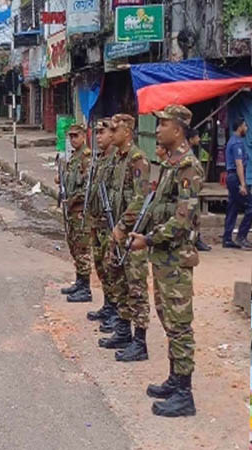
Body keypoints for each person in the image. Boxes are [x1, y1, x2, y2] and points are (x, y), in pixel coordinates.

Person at [128, 104, 203, 417]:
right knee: (166, 318)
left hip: (175, 257)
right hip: (164, 257)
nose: (157, 130)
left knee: (180, 324)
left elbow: (182, 221)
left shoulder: (188, 167)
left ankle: (185, 394)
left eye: (163, 125)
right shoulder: (170, 163)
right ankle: (175, 379)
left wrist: (149, 239)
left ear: (178, 129)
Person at [98, 113, 151, 364]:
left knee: (136, 287)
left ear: (127, 132)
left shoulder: (137, 160)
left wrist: (121, 226)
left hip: (131, 233)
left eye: (116, 128)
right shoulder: (117, 159)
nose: (112, 132)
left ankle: (139, 342)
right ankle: (123, 330)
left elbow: (140, 200)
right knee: (117, 280)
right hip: (115, 231)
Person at [86, 118, 118, 322]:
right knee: (100, 266)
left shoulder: (116, 160)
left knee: (111, 268)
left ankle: (115, 310)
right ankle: (108, 305)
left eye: (102, 133)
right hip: (97, 221)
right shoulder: (99, 158)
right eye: (96, 133)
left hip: (110, 223)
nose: (98, 136)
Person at [56, 124, 93, 303]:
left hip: (80, 211)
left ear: (84, 136)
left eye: (76, 136)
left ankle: (85, 288)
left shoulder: (86, 157)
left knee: (82, 249)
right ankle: (79, 281)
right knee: (74, 246)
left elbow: (87, 187)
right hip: (71, 211)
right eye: (70, 136)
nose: (73, 140)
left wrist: (73, 200)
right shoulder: (74, 158)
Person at [222, 117, 252, 249]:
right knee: (250, 207)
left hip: (232, 177)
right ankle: (241, 237)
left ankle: (227, 238)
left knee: (233, 208)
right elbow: (239, 165)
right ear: (240, 127)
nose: (246, 128)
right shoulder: (237, 144)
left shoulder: (232, 141)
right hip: (235, 178)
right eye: (245, 126)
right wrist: (243, 184)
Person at [187, 129, 211, 251]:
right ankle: (194, 240)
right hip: (189, 191)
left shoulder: (191, 153)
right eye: (197, 137)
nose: (199, 140)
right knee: (192, 218)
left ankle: (196, 239)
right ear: (191, 139)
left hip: (194, 190)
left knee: (195, 218)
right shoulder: (187, 155)